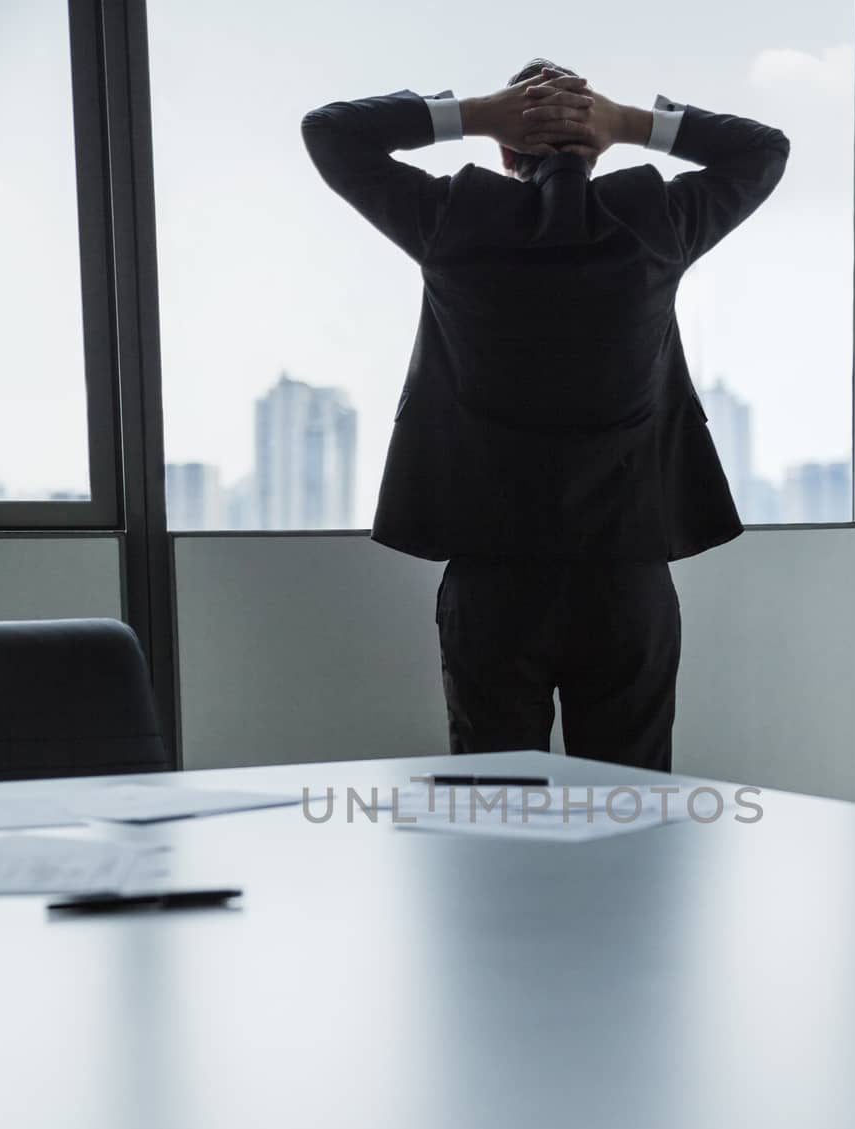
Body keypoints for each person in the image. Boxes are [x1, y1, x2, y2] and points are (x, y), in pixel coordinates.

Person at [301, 62, 790, 772]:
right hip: (627, 573)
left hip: (493, 574)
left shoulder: (452, 221)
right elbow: (762, 149)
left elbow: (332, 132)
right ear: (597, 147)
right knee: (632, 799)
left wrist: (470, 112)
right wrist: (628, 120)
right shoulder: (658, 222)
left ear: (505, 149)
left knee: (499, 796)